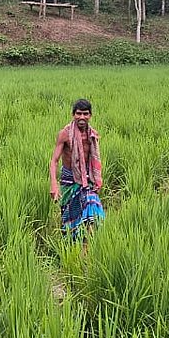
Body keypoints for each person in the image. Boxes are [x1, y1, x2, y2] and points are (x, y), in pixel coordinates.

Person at [50, 98, 105, 237]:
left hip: (87, 179)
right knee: (70, 218)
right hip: (69, 179)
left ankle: (87, 246)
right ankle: (71, 244)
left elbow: (94, 159)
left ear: (90, 115)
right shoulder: (65, 134)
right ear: (73, 114)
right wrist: (54, 185)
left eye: (85, 114)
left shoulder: (93, 135)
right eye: (78, 113)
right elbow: (54, 161)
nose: (82, 117)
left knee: (91, 207)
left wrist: (97, 179)